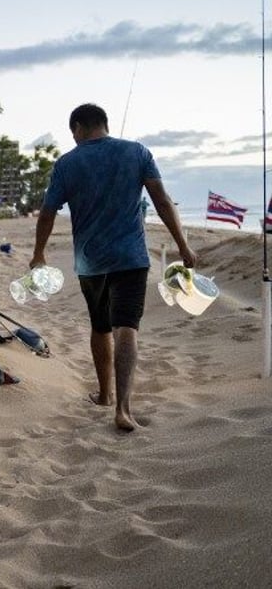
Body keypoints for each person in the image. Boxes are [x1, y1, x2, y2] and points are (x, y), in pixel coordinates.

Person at [29, 103, 197, 431]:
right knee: (127, 328)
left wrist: (39, 253)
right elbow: (162, 201)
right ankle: (123, 407)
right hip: (132, 258)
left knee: (101, 326)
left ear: (78, 127)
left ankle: (105, 395)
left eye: (73, 132)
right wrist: (183, 245)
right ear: (103, 124)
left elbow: (47, 212)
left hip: (91, 262)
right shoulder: (137, 152)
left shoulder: (67, 163)